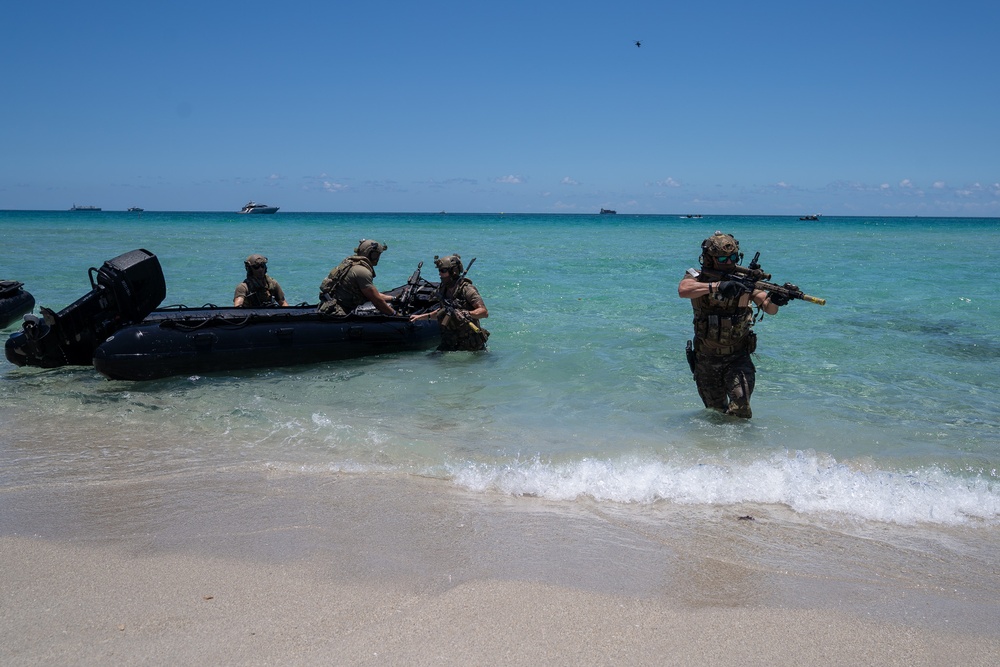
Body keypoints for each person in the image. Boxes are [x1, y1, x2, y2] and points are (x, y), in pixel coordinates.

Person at [677, 232, 792, 418]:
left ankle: (745, 446)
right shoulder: (697, 277)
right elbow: (683, 290)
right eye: (723, 258)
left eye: (733, 258)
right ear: (709, 259)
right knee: (715, 414)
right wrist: (716, 286)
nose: (729, 262)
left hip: (738, 357)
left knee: (741, 408)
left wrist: (777, 300)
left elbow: (768, 308)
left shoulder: (745, 280)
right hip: (706, 358)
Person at [409, 254, 489, 351]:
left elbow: (484, 312)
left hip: (470, 343)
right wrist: (421, 317)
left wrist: (467, 314)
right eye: (439, 271)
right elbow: (442, 312)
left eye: (443, 271)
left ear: (453, 271)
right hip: (450, 341)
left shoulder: (467, 289)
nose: (440, 274)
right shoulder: (443, 289)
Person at [317, 239, 396, 316]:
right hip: (338, 311)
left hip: (330, 305)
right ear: (370, 254)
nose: (378, 258)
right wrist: (394, 314)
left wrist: (393, 298)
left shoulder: (352, 264)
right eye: (377, 254)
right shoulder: (362, 272)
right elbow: (377, 302)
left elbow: (371, 293)